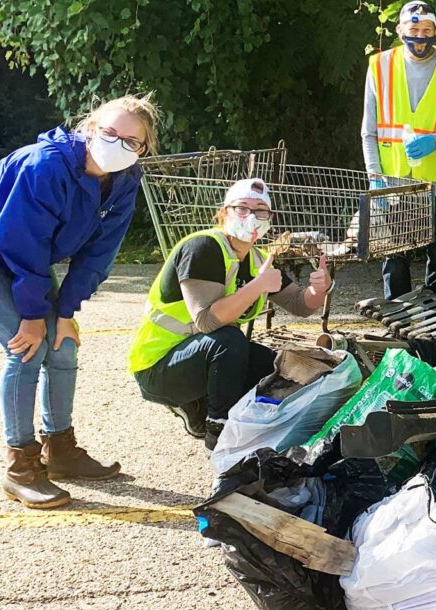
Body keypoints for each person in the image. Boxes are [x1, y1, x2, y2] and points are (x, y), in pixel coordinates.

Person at [0, 94, 160, 509]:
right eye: (110, 132)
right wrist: (30, 316)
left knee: (63, 343)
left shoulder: (126, 181)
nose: (118, 144)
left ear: (143, 149)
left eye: (131, 141)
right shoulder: (45, 164)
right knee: (25, 345)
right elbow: (22, 240)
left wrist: (64, 312)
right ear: (90, 127)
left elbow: (98, 254)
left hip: (24, 253)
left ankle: (59, 450)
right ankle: (20, 468)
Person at [127, 178, 332, 452]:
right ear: (224, 213)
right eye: (242, 208)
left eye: (261, 210)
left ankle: (228, 414)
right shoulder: (203, 248)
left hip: (196, 357)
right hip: (157, 367)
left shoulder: (257, 258)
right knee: (230, 341)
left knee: (271, 366)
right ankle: (217, 429)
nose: (252, 217)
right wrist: (257, 286)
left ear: (269, 219)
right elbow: (207, 321)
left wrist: (320, 289)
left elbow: (300, 305)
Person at [362, 0, 436, 300]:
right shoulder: (379, 66)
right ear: (399, 30)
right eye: (414, 28)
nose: (420, 36)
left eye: (427, 29)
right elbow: (369, 131)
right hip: (395, 183)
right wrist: (375, 176)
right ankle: (399, 323)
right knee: (395, 259)